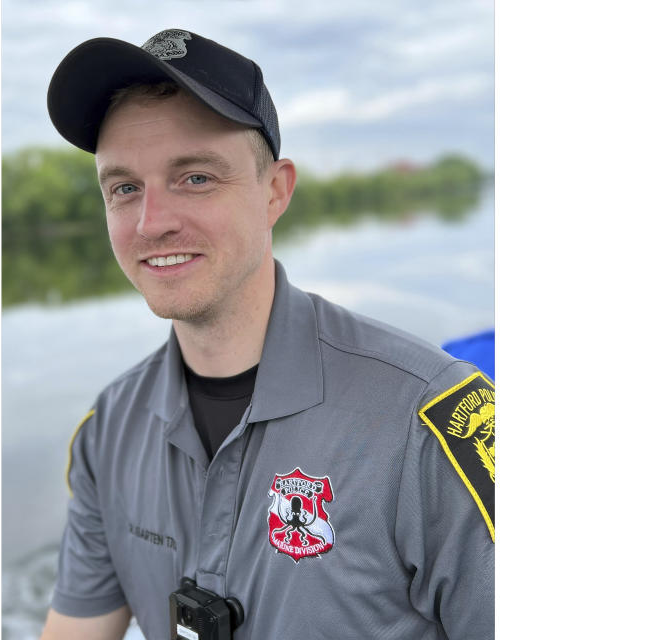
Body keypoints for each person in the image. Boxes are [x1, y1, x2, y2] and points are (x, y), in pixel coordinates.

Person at [39, 28, 495, 640]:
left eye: (195, 177)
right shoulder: (108, 431)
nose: (152, 223)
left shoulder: (429, 422)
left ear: (275, 191)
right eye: (124, 188)